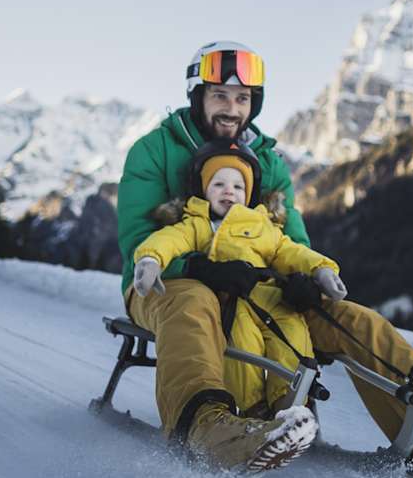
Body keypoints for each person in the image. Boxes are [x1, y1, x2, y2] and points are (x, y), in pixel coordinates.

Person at [117, 41, 413, 478]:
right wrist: (197, 267)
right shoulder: (154, 151)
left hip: (256, 287)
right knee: (194, 300)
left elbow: (293, 243)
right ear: (198, 97)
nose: (232, 108)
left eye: (243, 98)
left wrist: (303, 280)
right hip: (163, 286)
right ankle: (209, 429)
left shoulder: (265, 163)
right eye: (220, 96)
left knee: (351, 318)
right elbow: (138, 241)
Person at [131, 140, 346, 421]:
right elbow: (169, 240)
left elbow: (290, 251)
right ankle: (250, 408)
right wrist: (150, 259)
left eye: (238, 186)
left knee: (294, 342)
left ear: (249, 194)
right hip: (236, 301)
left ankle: (290, 405)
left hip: (275, 300)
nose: (229, 191)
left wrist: (321, 270)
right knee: (243, 347)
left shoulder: (263, 226)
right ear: (204, 189)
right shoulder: (198, 223)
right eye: (218, 184)